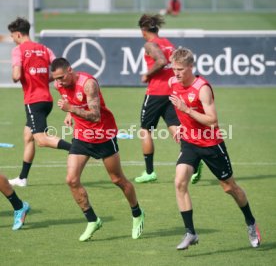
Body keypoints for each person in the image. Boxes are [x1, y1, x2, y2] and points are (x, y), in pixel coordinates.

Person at [168, 47, 261, 249]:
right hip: (190, 143)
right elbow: (174, 107)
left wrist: (187, 110)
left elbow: (212, 121)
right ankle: (190, 232)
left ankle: (251, 222)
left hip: (211, 144)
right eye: (174, 68)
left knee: (230, 188)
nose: (176, 73)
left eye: (180, 69)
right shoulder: (172, 83)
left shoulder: (202, 88)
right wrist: (179, 126)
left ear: (191, 67)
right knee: (179, 181)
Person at [51, 57, 145, 241]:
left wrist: (71, 109)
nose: (59, 82)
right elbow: (68, 99)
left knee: (118, 180)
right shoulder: (58, 85)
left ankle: (137, 213)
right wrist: (70, 113)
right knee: (71, 179)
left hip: (103, 135)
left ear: (70, 70)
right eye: (56, 78)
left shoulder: (88, 84)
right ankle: (93, 220)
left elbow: (94, 116)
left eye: (62, 77)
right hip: (81, 137)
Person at [135, 14, 202, 184]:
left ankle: (149, 172)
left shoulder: (150, 44)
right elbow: (170, 63)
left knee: (145, 130)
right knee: (175, 127)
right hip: (171, 91)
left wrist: (146, 74)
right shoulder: (167, 43)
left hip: (156, 92)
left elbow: (161, 61)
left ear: (143, 30)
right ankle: (194, 157)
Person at [7, 17, 71, 187]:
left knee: (41, 140)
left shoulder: (18, 50)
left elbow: (16, 76)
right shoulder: (44, 49)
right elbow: (57, 69)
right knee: (28, 136)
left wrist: (17, 74)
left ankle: (75, 149)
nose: (12, 40)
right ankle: (22, 178)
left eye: (13, 36)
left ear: (18, 34)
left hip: (33, 101)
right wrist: (43, 78)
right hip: (46, 100)